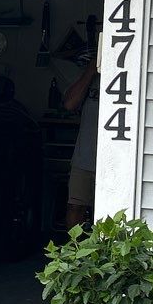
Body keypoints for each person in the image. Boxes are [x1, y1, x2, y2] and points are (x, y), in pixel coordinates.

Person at [62, 51, 102, 228]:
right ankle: (76, 252)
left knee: (107, 212)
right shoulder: (90, 77)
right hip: (84, 157)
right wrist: (91, 70)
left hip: (115, 158)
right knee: (75, 207)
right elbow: (70, 104)